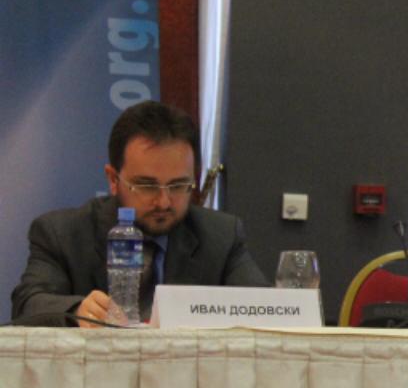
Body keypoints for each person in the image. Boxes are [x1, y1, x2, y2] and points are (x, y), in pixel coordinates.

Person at [11, 101, 267, 327]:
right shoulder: (62, 234)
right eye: (147, 185)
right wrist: (76, 311)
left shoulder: (221, 236)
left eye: (178, 185)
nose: (164, 201)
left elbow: (264, 307)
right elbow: (28, 303)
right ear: (113, 179)